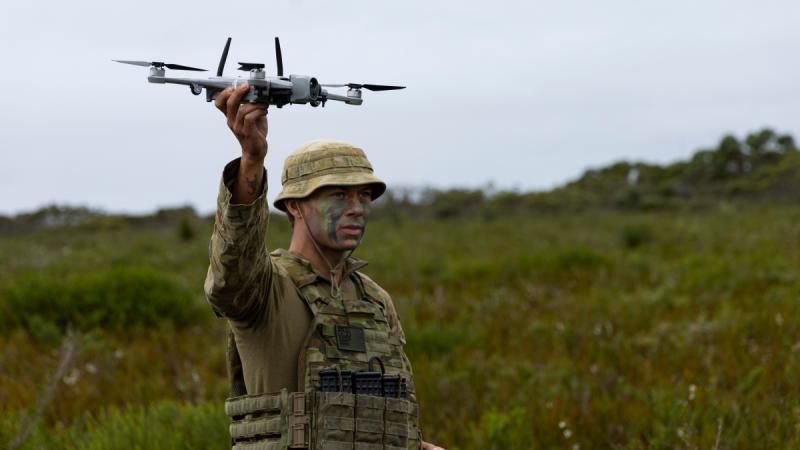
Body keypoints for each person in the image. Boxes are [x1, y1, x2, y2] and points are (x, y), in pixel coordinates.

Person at [204, 82, 445, 450]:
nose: (356, 208)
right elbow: (229, 275)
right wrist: (252, 159)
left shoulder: (374, 300)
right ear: (294, 206)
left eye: (364, 196)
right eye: (338, 195)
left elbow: (384, 415)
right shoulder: (266, 289)